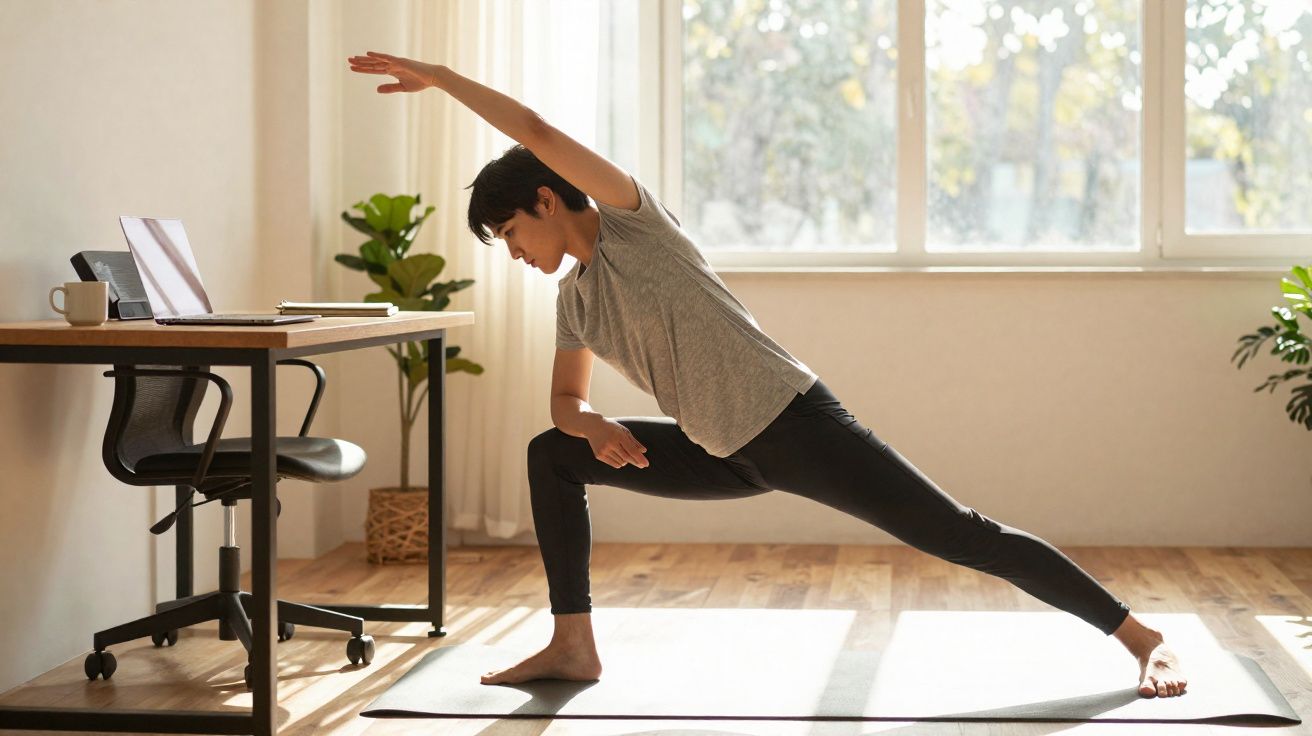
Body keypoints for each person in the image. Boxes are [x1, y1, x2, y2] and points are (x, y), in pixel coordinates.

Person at [346, 50, 1188, 698]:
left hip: (796, 425)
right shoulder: (576, 301)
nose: (515, 256)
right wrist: (591, 425)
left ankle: (1140, 636)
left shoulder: (640, 227)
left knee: (961, 534)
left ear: (542, 200)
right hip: (721, 452)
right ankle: (575, 643)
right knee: (549, 450)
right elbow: (565, 403)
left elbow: (533, 126)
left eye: (508, 235)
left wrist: (441, 78)